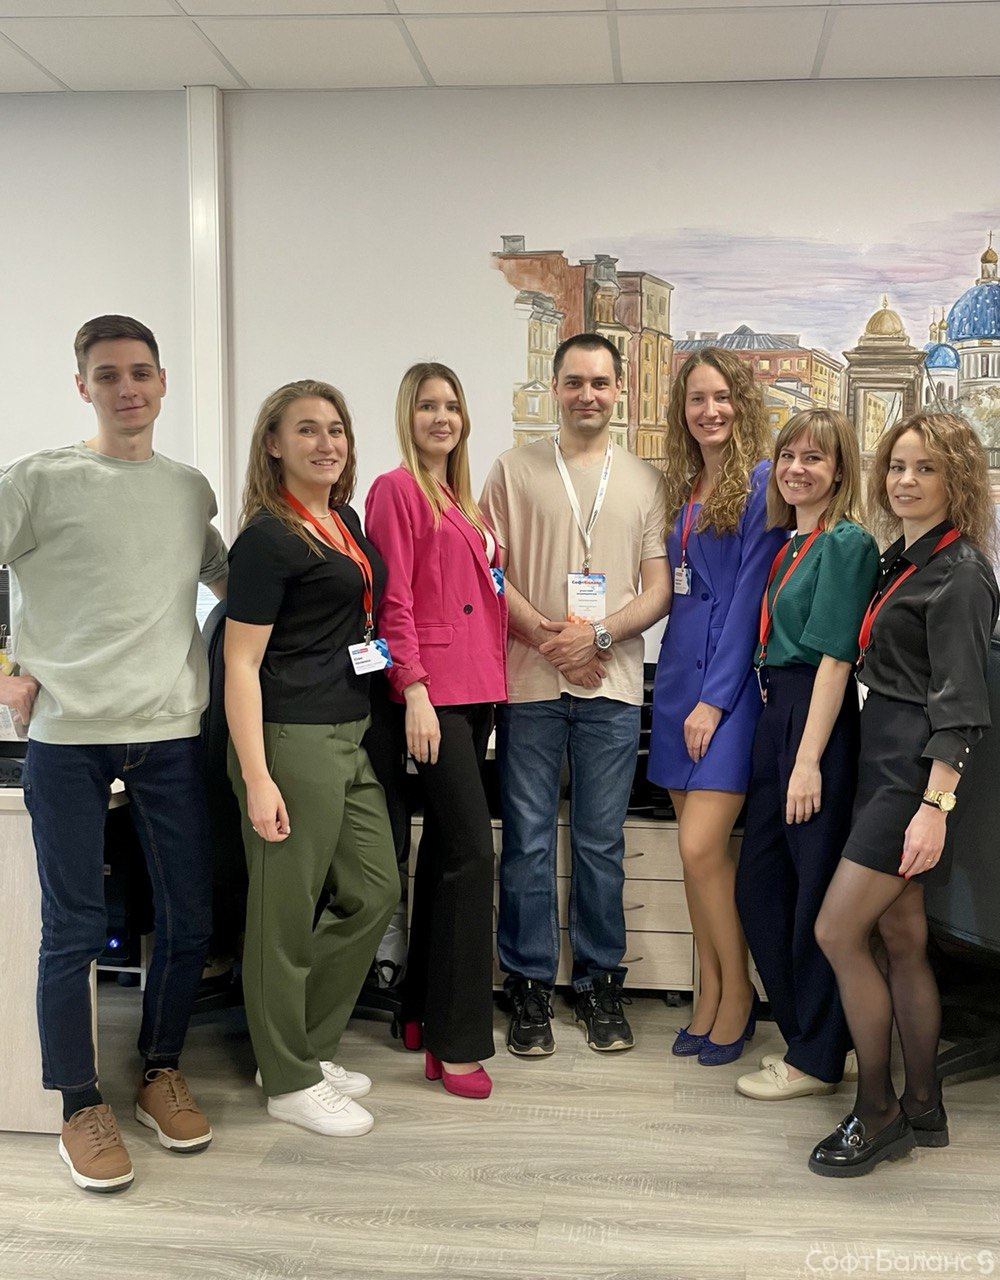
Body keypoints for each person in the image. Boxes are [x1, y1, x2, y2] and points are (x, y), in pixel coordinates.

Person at [0, 315, 227, 1193]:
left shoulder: (188, 491)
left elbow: (227, 582)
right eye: (107, 375)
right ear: (83, 386)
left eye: (140, 372)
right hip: (69, 736)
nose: (126, 388)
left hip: (169, 730)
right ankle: (78, 1104)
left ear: (163, 381)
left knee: (188, 919)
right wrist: (5, 671)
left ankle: (160, 1070)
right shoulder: (37, 482)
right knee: (73, 929)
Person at [809, 412, 999, 1177]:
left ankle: (878, 1111)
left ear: (957, 478)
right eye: (897, 466)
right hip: (881, 762)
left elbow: (963, 708)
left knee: (836, 932)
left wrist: (933, 808)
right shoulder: (909, 559)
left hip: (909, 779)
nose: (906, 480)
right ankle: (923, 1104)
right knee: (902, 938)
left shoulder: (962, 573)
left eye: (925, 468)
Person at [480, 333, 670, 1056]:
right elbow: (488, 573)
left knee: (600, 843)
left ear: (619, 391)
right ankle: (528, 982)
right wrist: (546, 636)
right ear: (555, 388)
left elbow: (658, 590)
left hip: (612, 687)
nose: (587, 394)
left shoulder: (645, 480)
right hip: (528, 683)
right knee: (527, 840)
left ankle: (598, 981)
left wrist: (595, 638)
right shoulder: (512, 469)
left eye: (599, 382)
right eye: (574, 382)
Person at [224, 379, 398, 1138]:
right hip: (290, 739)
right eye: (306, 430)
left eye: (336, 429)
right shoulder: (268, 539)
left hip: (349, 732)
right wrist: (258, 778)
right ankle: (288, 1081)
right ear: (273, 444)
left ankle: (300, 1048)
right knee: (283, 919)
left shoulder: (342, 521)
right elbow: (239, 665)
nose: (326, 443)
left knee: (375, 891)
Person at [365, 362, 507, 1099]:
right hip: (434, 695)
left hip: (477, 689)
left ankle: (420, 1012)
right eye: (427, 405)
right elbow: (391, 603)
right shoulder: (396, 489)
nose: (442, 417)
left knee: (450, 851)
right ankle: (457, 1045)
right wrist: (413, 689)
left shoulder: (463, 500)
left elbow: (488, 596)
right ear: (407, 415)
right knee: (472, 858)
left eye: (452, 404)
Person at [733, 410, 878, 1100]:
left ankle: (816, 1058)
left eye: (814, 458)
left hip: (813, 719)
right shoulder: (792, 543)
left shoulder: (847, 543)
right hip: (777, 714)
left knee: (809, 891)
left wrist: (808, 760)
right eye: (788, 455)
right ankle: (815, 1041)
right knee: (761, 886)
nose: (796, 468)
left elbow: (835, 659)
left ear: (840, 470)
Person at [647, 347, 786, 1066]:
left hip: (724, 693)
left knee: (703, 848)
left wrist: (712, 702)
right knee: (693, 861)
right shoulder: (685, 485)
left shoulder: (761, 483)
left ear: (742, 402)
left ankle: (739, 998)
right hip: (675, 680)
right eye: (697, 398)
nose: (710, 410)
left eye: (722, 396)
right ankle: (709, 996)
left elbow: (745, 604)